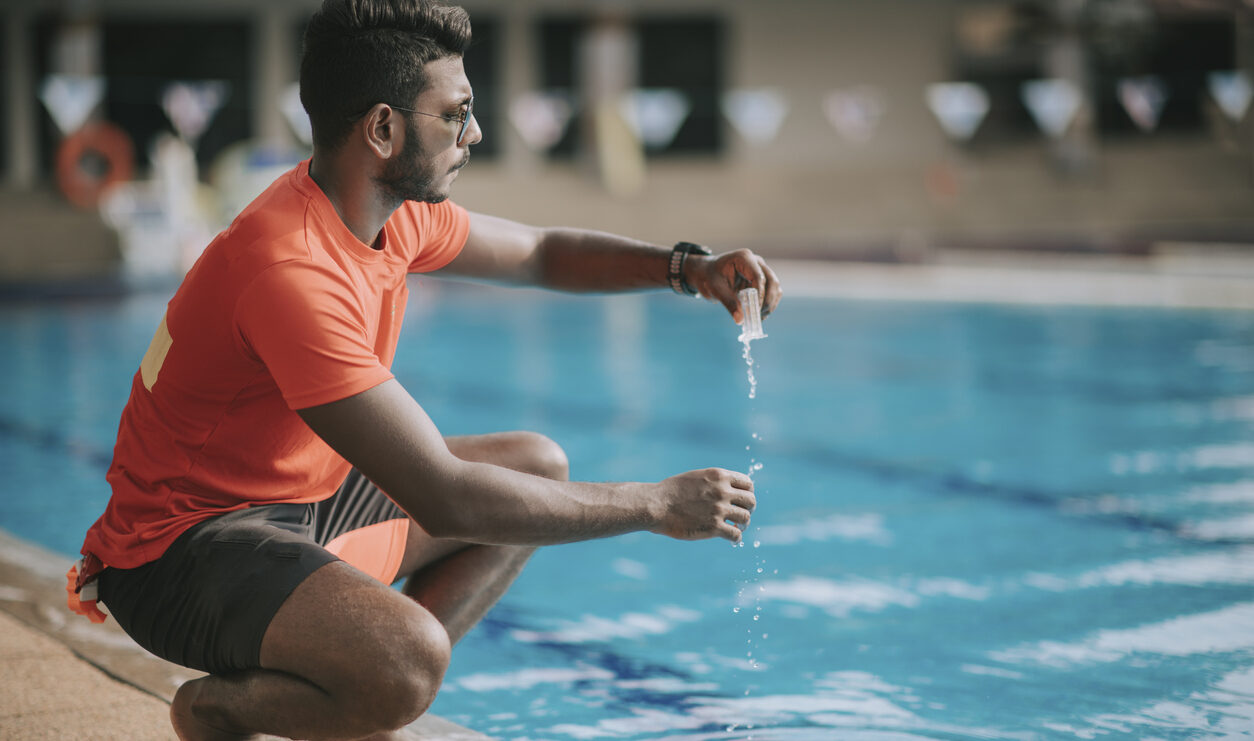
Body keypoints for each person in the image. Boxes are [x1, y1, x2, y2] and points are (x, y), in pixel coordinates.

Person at [67, 1, 782, 739]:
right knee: (410, 658)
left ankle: (358, 700)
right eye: (456, 114)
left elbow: (540, 252)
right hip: (181, 552)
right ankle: (228, 705)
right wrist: (655, 503)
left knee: (538, 466)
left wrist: (686, 267)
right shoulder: (291, 272)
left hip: (295, 507)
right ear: (383, 130)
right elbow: (444, 496)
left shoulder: (386, 210)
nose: (474, 133)